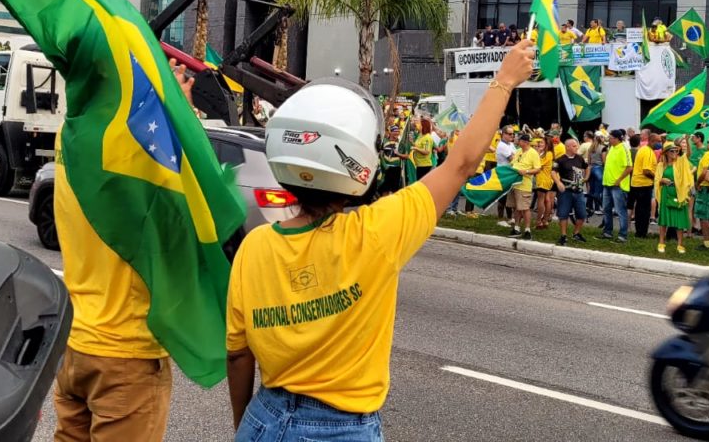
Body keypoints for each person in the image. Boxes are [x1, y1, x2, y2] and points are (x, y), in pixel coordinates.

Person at [225, 40, 536, 441]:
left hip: (263, 418)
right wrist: (505, 80)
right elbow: (461, 164)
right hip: (341, 429)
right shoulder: (377, 231)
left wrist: (244, 425)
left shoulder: (256, 245)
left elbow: (237, 354)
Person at [52, 58, 197, 441]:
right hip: (126, 352)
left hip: (76, 341)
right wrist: (176, 117)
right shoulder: (139, 148)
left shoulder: (70, 134)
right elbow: (185, 214)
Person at [654, 144, 694, 254]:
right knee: (664, 219)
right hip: (665, 192)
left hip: (678, 193)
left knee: (679, 220)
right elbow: (656, 180)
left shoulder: (680, 163)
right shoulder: (661, 165)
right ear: (666, 152)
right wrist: (662, 180)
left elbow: (688, 155)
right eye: (672, 151)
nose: (674, 153)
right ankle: (661, 242)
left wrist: (686, 140)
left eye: (676, 151)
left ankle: (680, 245)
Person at [553, 138, 589, 246]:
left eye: (576, 145)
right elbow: (553, 172)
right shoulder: (560, 160)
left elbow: (587, 168)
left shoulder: (580, 158)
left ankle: (576, 233)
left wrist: (586, 178)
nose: (576, 147)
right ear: (567, 147)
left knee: (582, 214)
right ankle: (563, 235)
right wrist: (558, 183)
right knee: (563, 214)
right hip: (566, 192)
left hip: (578, 191)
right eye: (574, 145)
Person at [601, 128, 632, 242]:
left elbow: (629, 167)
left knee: (620, 210)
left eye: (611, 137)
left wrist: (619, 180)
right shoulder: (611, 148)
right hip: (607, 183)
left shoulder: (624, 148)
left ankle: (622, 235)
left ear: (617, 139)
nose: (609, 139)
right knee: (606, 208)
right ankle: (607, 232)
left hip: (618, 185)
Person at [509, 133, 541, 239]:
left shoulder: (533, 153)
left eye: (520, 140)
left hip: (524, 184)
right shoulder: (518, 151)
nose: (518, 141)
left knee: (525, 208)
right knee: (516, 207)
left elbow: (538, 169)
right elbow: (513, 163)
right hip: (514, 183)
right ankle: (516, 228)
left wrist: (526, 171)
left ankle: (527, 230)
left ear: (526, 142)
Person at [629, 132, 657, 238]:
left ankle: (639, 232)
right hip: (644, 184)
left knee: (639, 209)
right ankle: (642, 233)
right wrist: (656, 178)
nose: (659, 144)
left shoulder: (642, 149)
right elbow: (646, 171)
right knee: (644, 210)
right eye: (657, 141)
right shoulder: (648, 152)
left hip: (637, 183)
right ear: (651, 141)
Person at [532, 136, 555, 231]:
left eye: (541, 142)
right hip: (544, 179)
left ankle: (539, 221)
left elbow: (538, 165)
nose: (539, 144)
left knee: (541, 200)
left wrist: (536, 153)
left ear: (547, 144)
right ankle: (544, 221)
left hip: (543, 180)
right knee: (546, 200)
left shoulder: (548, 154)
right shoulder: (545, 153)